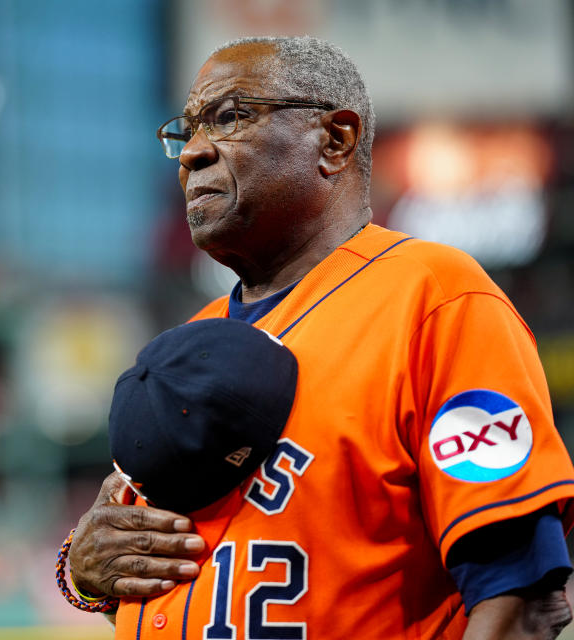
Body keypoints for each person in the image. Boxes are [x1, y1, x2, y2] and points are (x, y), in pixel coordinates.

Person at [61, 36, 574, 639]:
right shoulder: (189, 341)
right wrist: (80, 570)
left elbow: (522, 597)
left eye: (229, 117)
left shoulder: (434, 297)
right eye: (189, 128)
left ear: (335, 140)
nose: (193, 152)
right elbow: (123, 555)